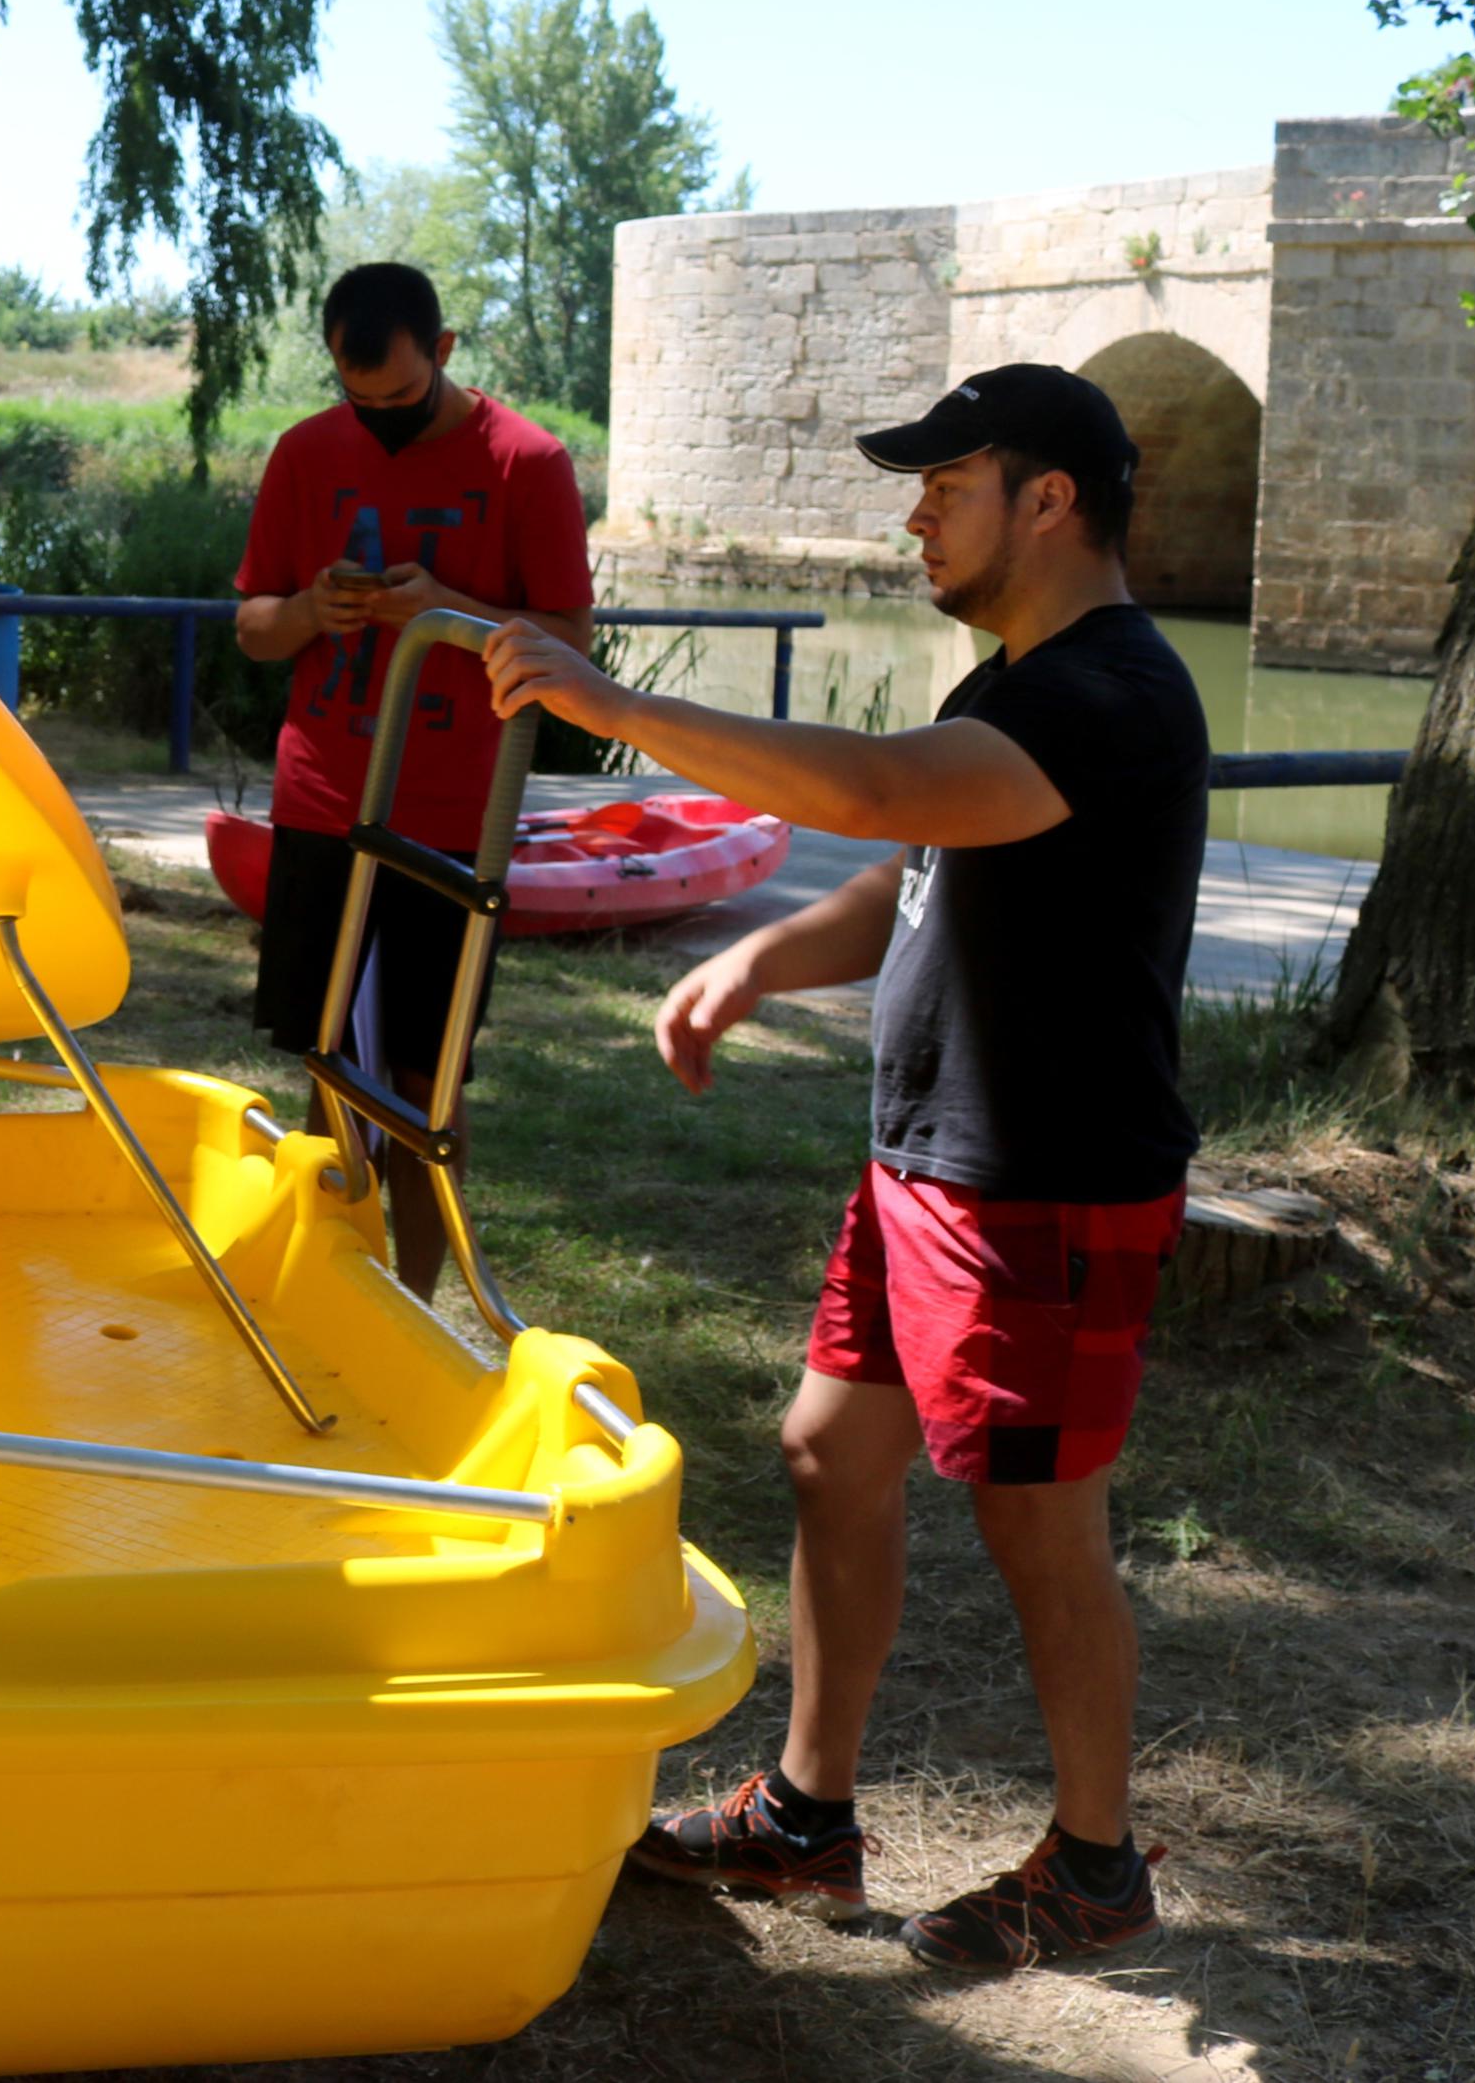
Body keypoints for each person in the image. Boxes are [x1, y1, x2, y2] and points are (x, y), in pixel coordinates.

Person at [478, 363, 1205, 1974]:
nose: (913, 512)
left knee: (1036, 1522)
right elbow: (915, 866)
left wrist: (612, 706)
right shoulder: (1019, 694)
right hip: (926, 1168)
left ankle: (1092, 1864)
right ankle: (806, 1815)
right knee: (824, 1452)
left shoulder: (1111, 691)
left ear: (1048, 500)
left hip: (1042, 1181)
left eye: (946, 484)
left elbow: (878, 787)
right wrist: (758, 962)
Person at [229, 262, 590, 1292]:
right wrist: (311, 610)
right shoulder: (303, 454)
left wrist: (442, 609)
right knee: (326, 1069)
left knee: (425, 1089)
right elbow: (254, 625)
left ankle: (420, 1304)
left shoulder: (527, 460)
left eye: (398, 398)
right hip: (320, 806)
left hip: (447, 824)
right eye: (356, 399)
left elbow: (568, 641)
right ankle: (329, 1296)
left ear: (441, 353)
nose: (376, 419)